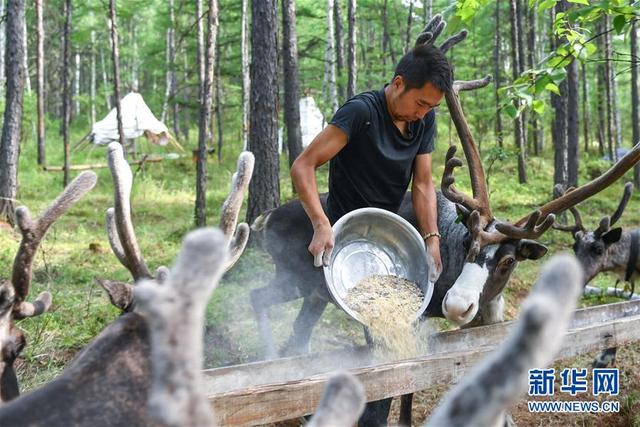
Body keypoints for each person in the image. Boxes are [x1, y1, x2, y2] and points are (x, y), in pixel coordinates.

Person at [290, 44, 453, 278]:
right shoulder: (361, 112)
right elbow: (303, 166)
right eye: (420, 103)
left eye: (432, 107)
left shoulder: (424, 121)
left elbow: (423, 184)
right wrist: (319, 223)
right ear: (398, 84)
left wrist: (432, 239)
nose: (423, 114)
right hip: (340, 230)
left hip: (382, 231)